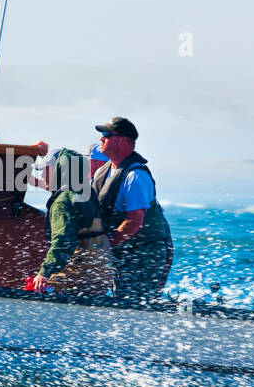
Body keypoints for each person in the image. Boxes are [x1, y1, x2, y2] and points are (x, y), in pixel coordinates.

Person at [91, 117, 173, 300]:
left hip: (146, 254)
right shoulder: (101, 173)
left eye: (106, 134)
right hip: (121, 251)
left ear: (122, 140)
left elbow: (134, 223)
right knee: (118, 298)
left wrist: (104, 247)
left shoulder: (135, 177)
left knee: (131, 302)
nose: (101, 139)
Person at [29, 147, 115, 297]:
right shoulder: (86, 192)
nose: (42, 175)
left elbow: (63, 242)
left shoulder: (63, 202)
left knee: (36, 288)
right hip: (102, 276)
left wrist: (44, 273)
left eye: (46, 170)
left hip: (82, 274)